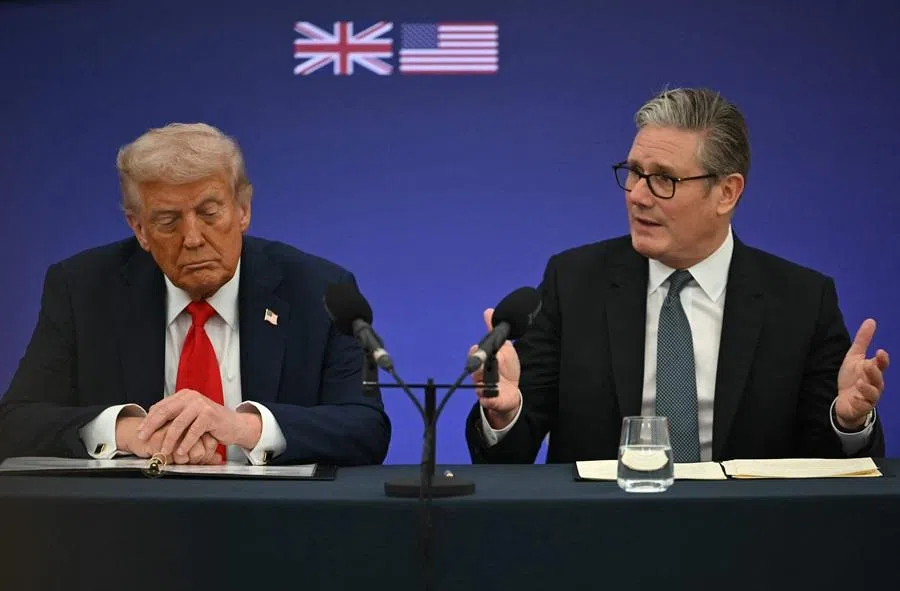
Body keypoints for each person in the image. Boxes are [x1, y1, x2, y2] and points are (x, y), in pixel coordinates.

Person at [466, 87, 889, 464]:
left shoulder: (801, 300)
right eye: (633, 172)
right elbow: (510, 453)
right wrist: (503, 414)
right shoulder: (574, 282)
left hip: (750, 539)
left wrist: (848, 422)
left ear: (727, 192)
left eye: (663, 179)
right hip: (600, 535)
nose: (637, 194)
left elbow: (831, 467)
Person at [0, 123, 390, 466]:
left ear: (242, 211)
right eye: (168, 221)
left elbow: (365, 427)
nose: (192, 238)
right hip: (127, 527)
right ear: (139, 230)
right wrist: (127, 431)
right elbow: (15, 423)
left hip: (276, 526)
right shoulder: (83, 289)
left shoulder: (318, 289)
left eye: (209, 213)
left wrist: (242, 426)